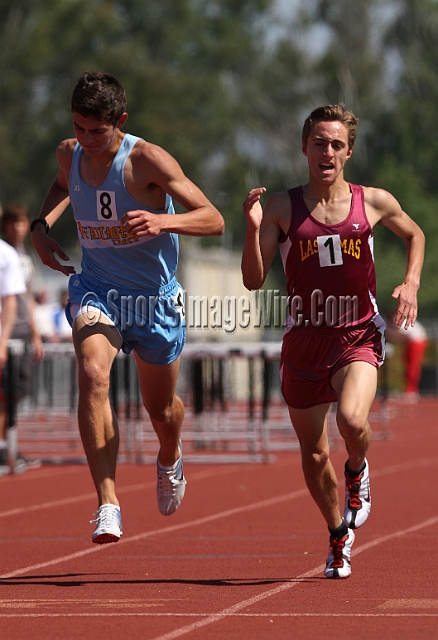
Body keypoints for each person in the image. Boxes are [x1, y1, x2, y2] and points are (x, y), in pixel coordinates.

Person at [31, 71, 224, 544]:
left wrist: (162, 221)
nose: (86, 140)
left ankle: (170, 454)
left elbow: (214, 219)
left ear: (120, 121)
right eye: (79, 128)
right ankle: (108, 503)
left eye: (97, 131)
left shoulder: (146, 160)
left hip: (154, 299)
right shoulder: (69, 153)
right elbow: (60, 186)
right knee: (94, 375)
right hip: (98, 288)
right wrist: (40, 227)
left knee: (160, 409)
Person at [241, 104, 425, 578]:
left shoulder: (374, 201)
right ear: (305, 148)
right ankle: (337, 535)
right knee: (315, 452)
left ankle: (358, 470)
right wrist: (253, 227)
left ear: (348, 152)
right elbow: (253, 281)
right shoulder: (281, 207)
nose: (327, 151)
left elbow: (416, 234)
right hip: (303, 341)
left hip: (356, 334)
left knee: (350, 418)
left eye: (337, 144)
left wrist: (411, 282)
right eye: (319, 142)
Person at [0, 203, 44, 469]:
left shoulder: (26, 256)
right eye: (12, 222)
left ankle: (9, 445)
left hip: (22, 330)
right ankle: (5, 448)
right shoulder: (6, 253)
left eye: (21, 222)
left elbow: (26, 298)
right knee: (4, 393)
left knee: (15, 392)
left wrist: (36, 333)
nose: (17, 227)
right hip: (6, 331)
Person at [0, 234, 27, 469]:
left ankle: (3, 448)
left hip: (1, 338)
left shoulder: (6, 253)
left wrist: (3, 341)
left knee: (5, 396)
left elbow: (10, 301)